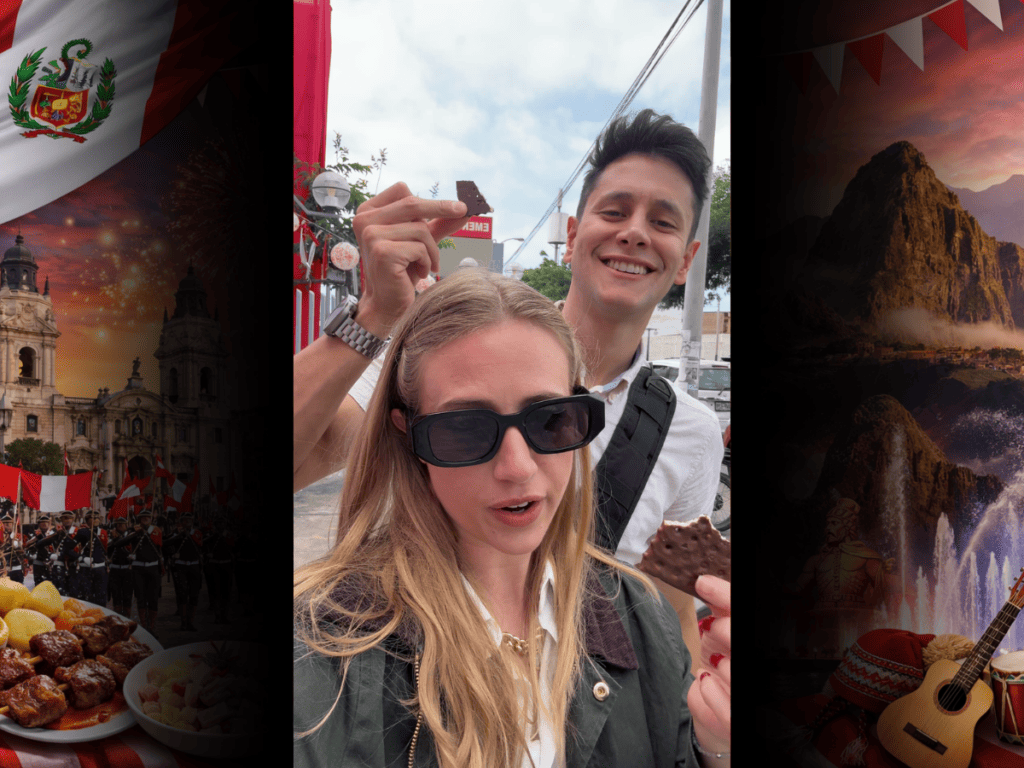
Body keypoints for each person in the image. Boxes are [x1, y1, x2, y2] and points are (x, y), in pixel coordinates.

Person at [294, 109, 725, 664]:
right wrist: (374, 316)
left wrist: (696, 737)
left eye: (664, 223)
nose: (636, 232)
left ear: (688, 259)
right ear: (571, 236)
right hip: (417, 699)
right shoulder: (454, 349)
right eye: (615, 211)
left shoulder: (692, 431)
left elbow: (671, 605)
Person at [294, 269, 731, 767]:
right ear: (408, 437)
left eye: (549, 419)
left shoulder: (641, 616)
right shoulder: (323, 650)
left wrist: (717, 743)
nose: (517, 468)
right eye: (465, 429)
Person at [164, 511, 202, 631]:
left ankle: (191, 621)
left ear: (192, 521)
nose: (187, 522)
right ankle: (184, 622)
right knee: (182, 594)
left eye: (189, 520)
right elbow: (166, 544)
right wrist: (178, 537)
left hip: (194, 566)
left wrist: (190, 535)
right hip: (181, 566)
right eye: (184, 520)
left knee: (194, 594)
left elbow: (201, 545)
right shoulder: (177, 533)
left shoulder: (196, 533)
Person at [73, 511, 108, 605]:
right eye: (93, 518)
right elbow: (69, 549)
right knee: (86, 597)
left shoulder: (104, 532)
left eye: (97, 517)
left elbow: (107, 549)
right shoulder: (82, 532)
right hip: (86, 568)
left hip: (100, 568)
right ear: (87, 521)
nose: (96, 520)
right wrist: (81, 558)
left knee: (101, 597)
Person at [0, 513, 25, 583]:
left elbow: (23, 551)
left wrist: (18, 544)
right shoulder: (1, 538)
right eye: (4, 524)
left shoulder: (17, 537)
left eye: (8, 524)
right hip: (4, 569)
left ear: (12, 525)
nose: (6, 526)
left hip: (16, 569)